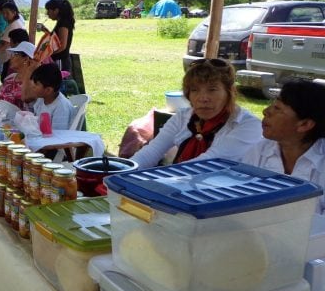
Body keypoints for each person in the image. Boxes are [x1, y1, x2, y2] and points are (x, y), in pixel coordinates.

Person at [131, 58, 261, 169]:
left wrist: (160, 179)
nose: (203, 98)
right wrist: (121, 170)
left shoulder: (247, 125)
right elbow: (151, 152)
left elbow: (206, 164)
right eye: (195, 90)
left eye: (212, 90)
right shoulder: (184, 117)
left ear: (230, 93)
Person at [242, 80, 325, 216]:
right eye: (272, 105)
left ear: (304, 124)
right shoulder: (259, 151)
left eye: (277, 108)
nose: (265, 111)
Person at [0, 40, 38, 110]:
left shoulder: (35, 83)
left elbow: (26, 99)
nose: (11, 57)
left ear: (26, 59)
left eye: (15, 54)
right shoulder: (10, 78)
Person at [30, 63, 74, 131]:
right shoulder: (41, 99)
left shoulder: (61, 107)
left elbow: (58, 134)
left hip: (55, 140)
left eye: (36, 85)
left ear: (48, 90)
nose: (32, 87)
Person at [40, 0, 75, 70]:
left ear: (56, 10)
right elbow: (55, 40)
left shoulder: (63, 24)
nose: (47, 13)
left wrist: (47, 54)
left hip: (60, 61)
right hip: (59, 60)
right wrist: (45, 30)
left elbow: (62, 46)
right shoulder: (61, 22)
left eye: (48, 10)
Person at [0, 0, 25, 70]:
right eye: (3, 13)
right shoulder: (14, 23)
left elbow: (4, 44)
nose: (5, 15)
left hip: (8, 57)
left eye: (7, 13)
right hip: (11, 56)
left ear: (14, 13)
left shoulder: (13, 25)